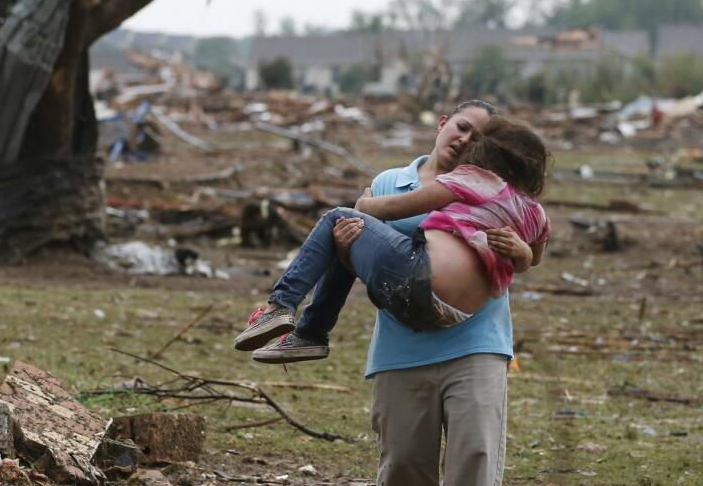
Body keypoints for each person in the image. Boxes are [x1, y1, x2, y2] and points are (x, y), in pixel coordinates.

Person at [244, 100, 537, 486]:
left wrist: (523, 250)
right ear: (443, 122)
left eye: (479, 136)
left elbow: (531, 250)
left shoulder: (497, 191)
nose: (466, 140)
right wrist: (342, 242)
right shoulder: (387, 185)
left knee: (476, 454)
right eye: (461, 127)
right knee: (403, 462)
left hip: (478, 345)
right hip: (402, 349)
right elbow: (362, 254)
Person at [232, 115, 549, 353]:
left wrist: (364, 203)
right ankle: (309, 334)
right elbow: (532, 258)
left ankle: (282, 309)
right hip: (453, 314)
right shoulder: (536, 212)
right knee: (349, 234)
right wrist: (521, 252)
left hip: (419, 279)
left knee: (339, 220)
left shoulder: (473, 178)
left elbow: (395, 207)